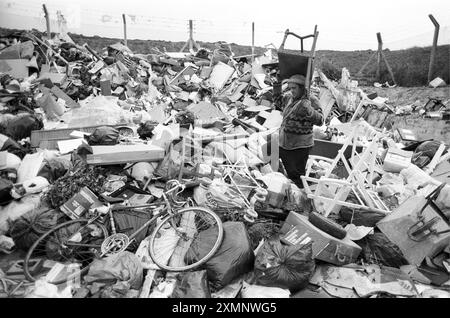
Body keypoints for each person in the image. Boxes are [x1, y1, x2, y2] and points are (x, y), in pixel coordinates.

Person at [278, 74, 324, 188]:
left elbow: (320, 120)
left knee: (298, 175)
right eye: (290, 88)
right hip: (285, 142)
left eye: (294, 88)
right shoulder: (289, 98)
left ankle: (301, 195)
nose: (291, 91)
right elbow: (278, 102)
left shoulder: (311, 100)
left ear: (302, 88)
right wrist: (276, 85)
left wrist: (309, 111)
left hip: (300, 145)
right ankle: (293, 192)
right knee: (289, 172)